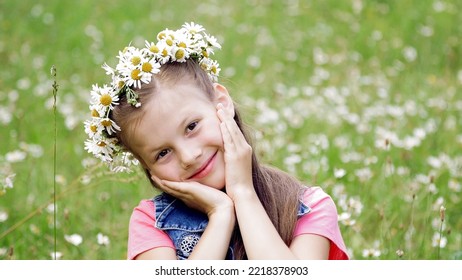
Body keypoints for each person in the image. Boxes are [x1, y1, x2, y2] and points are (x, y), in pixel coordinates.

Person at [84, 22, 349, 260]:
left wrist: (243, 195)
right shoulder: (151, 224)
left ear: (221, 103)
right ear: (148, 169)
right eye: (163, 153)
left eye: (191, 126)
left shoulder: (308, 207)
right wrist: (221, 215)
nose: (188, 156)